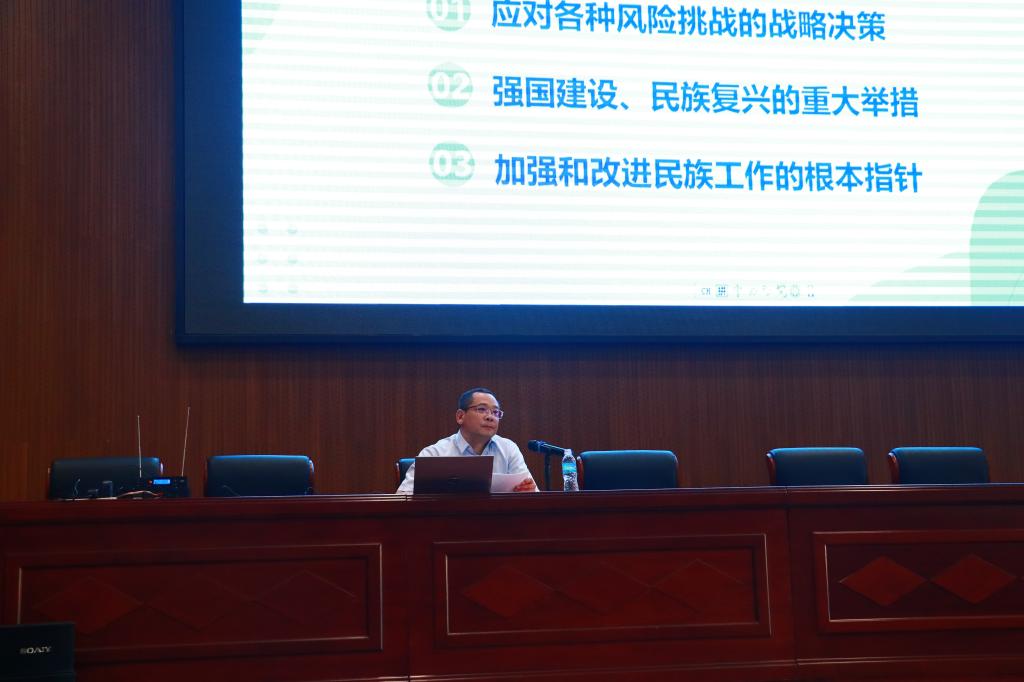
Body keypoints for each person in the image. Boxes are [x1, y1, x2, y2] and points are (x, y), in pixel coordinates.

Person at [396, 388, 538, 494]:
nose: (490, 417)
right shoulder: (434, 453)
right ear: (460, 416)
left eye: (495, 412)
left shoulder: (509, 449)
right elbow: (402, 497)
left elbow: (532, 493)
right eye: (482, 409)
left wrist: (528, 490)